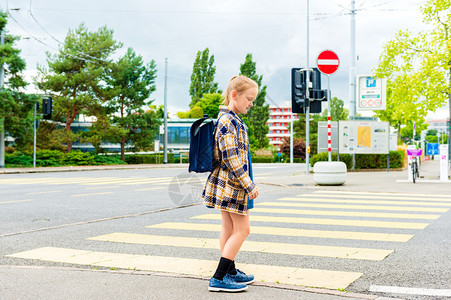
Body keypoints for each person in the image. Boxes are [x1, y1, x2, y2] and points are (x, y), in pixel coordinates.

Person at [202, 75, 259, 292]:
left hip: (226, 183)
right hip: (232, 185)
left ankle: (230, 271)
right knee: (243, 230)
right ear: (234, 95)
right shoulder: (228, 121)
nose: (251, 104)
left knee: (229, 227)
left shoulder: (230, 119)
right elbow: (231, 158)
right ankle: (219, 277)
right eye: (249, 98)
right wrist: (249, 185)